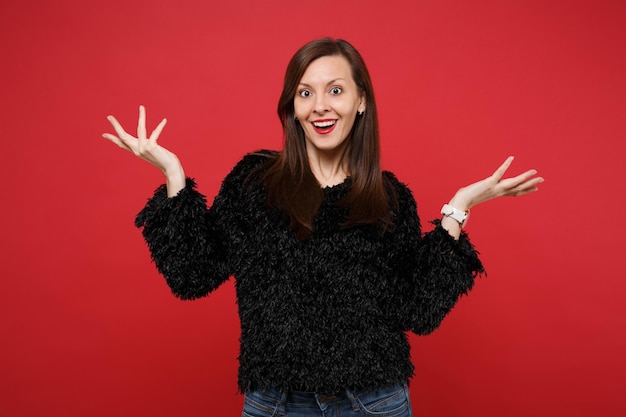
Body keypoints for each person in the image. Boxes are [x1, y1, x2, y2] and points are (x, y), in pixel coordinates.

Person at [103, 38, 543, 417]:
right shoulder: (254, 183)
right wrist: (174, 177)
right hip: (275, 403)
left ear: (361, 100)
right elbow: (191, 276)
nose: (320, 107)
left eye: (335, 90)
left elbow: (419, 313)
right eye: (305, 93)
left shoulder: (390, 199)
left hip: (374, 402)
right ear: (292, 108)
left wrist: (459, 209)